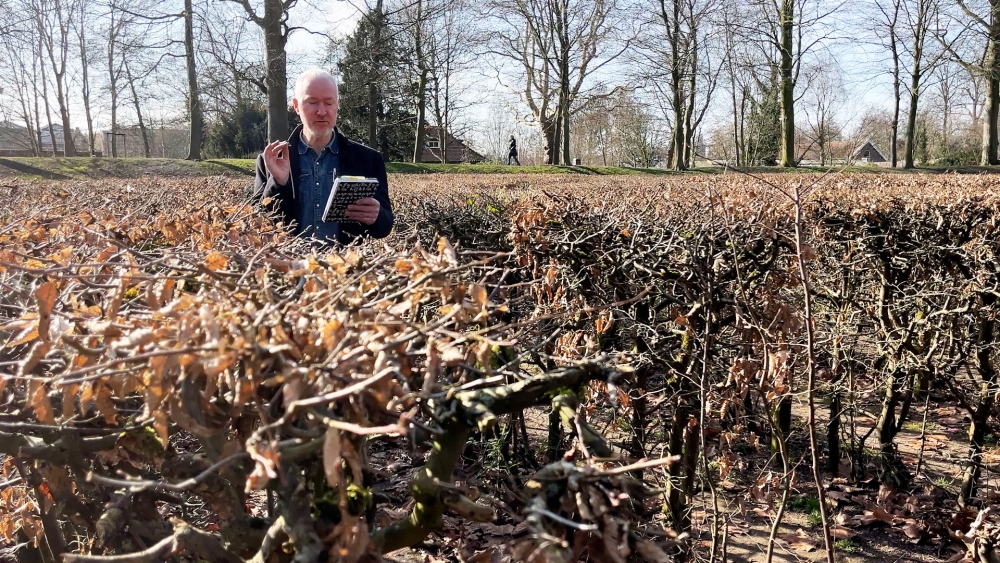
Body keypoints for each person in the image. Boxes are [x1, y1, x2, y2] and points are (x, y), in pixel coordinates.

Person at [254, 69, 393, 245]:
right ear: (296, 106)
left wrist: (376, 216)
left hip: (346, 270)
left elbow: (384, 227)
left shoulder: (368, 159)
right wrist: (279, 184)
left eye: (329, 103)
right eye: (312, 102)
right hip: (290, 270)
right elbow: (259, 225)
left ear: (337, 105)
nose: (321, 111)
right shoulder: (271, 161)